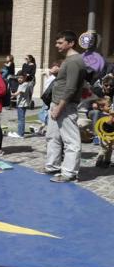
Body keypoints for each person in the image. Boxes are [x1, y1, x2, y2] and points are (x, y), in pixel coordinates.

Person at [45, 30, 86, 183]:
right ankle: (52, 166)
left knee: (71, 141)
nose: (57, 45)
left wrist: (59, 108)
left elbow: (71, 88)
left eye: (60, 42)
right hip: (57, 103)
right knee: (52, 137)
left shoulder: (75, 61)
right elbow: (66, 82)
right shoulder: (69, 61)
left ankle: (69, 173)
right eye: (57, 42)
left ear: (71, 43)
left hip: (65, 105)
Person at [9, 73, 32, 139]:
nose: (19, 79)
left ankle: (20, 134)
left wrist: (11, 95)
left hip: (22, 104)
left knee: (21, 119)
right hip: (20, 104)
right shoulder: (22, 84)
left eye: (21, 78)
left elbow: (18, 93)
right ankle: (20, 132)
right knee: (20, 119)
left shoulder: (24, 84)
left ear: (25, 78)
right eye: (18, 78)